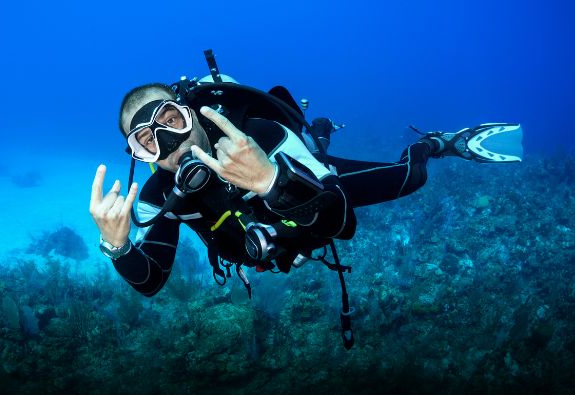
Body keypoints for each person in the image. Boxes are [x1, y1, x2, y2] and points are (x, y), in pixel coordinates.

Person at [89, 79, 523, 298]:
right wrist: (118, 247)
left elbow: (342, 222)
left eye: (170, 121)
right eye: (146, 141)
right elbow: (151, 281)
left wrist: (271, 182)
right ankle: (322, 132)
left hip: (308, 179)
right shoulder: (157, 198)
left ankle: (438, 143)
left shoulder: (262, 135)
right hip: (267, 246)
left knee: (411, 178)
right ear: (138, 156)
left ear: (190, 112)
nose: (168, 143)